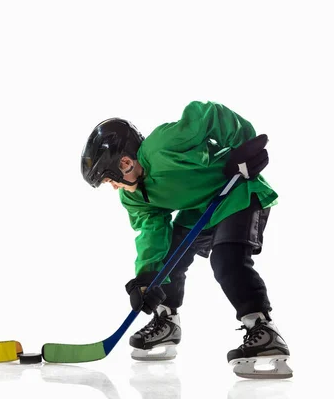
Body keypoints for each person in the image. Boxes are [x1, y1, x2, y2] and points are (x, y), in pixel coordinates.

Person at [80, 101, 292, 379]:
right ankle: (166, 321)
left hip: (237, 191)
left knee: (226, 261)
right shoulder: (133, 195)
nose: (114, 187)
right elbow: (151, 230)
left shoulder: (162, 146)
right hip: (202, 209)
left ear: (125, 162)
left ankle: (263, 330)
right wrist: (146, 279)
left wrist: (244, 145)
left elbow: (208, 116)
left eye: (111, 180)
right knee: (167, 260)